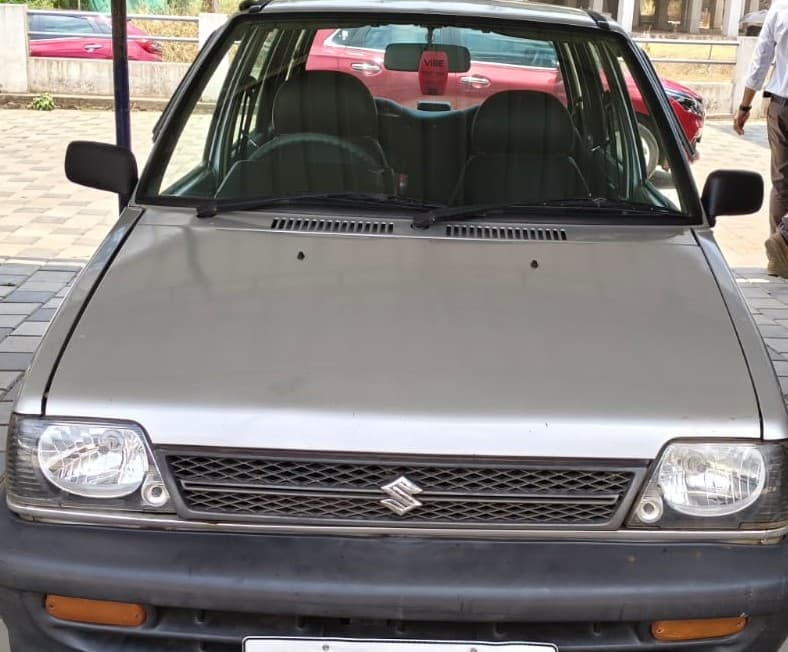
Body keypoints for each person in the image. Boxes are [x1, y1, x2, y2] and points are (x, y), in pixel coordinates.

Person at [734, 0, 788, 274]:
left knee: (781, 182)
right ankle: (784, 240)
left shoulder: (780, 7)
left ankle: (778, 260)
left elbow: (762, 57)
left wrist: (745, 105)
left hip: (780, 106)